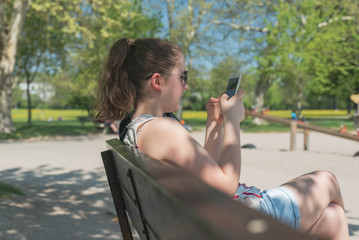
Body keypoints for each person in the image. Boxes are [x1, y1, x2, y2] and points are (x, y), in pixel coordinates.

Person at [96, 38, 348, 239]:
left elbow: (206, 171)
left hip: (206, 224)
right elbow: (226, 184)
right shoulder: (164, 129)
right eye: (182, 76)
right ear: (158, 81)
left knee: (334, 217)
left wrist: (214, 122)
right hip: (240, 221)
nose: (186, 85)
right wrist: (233, 123)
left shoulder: (135, 128)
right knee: (327, 179)